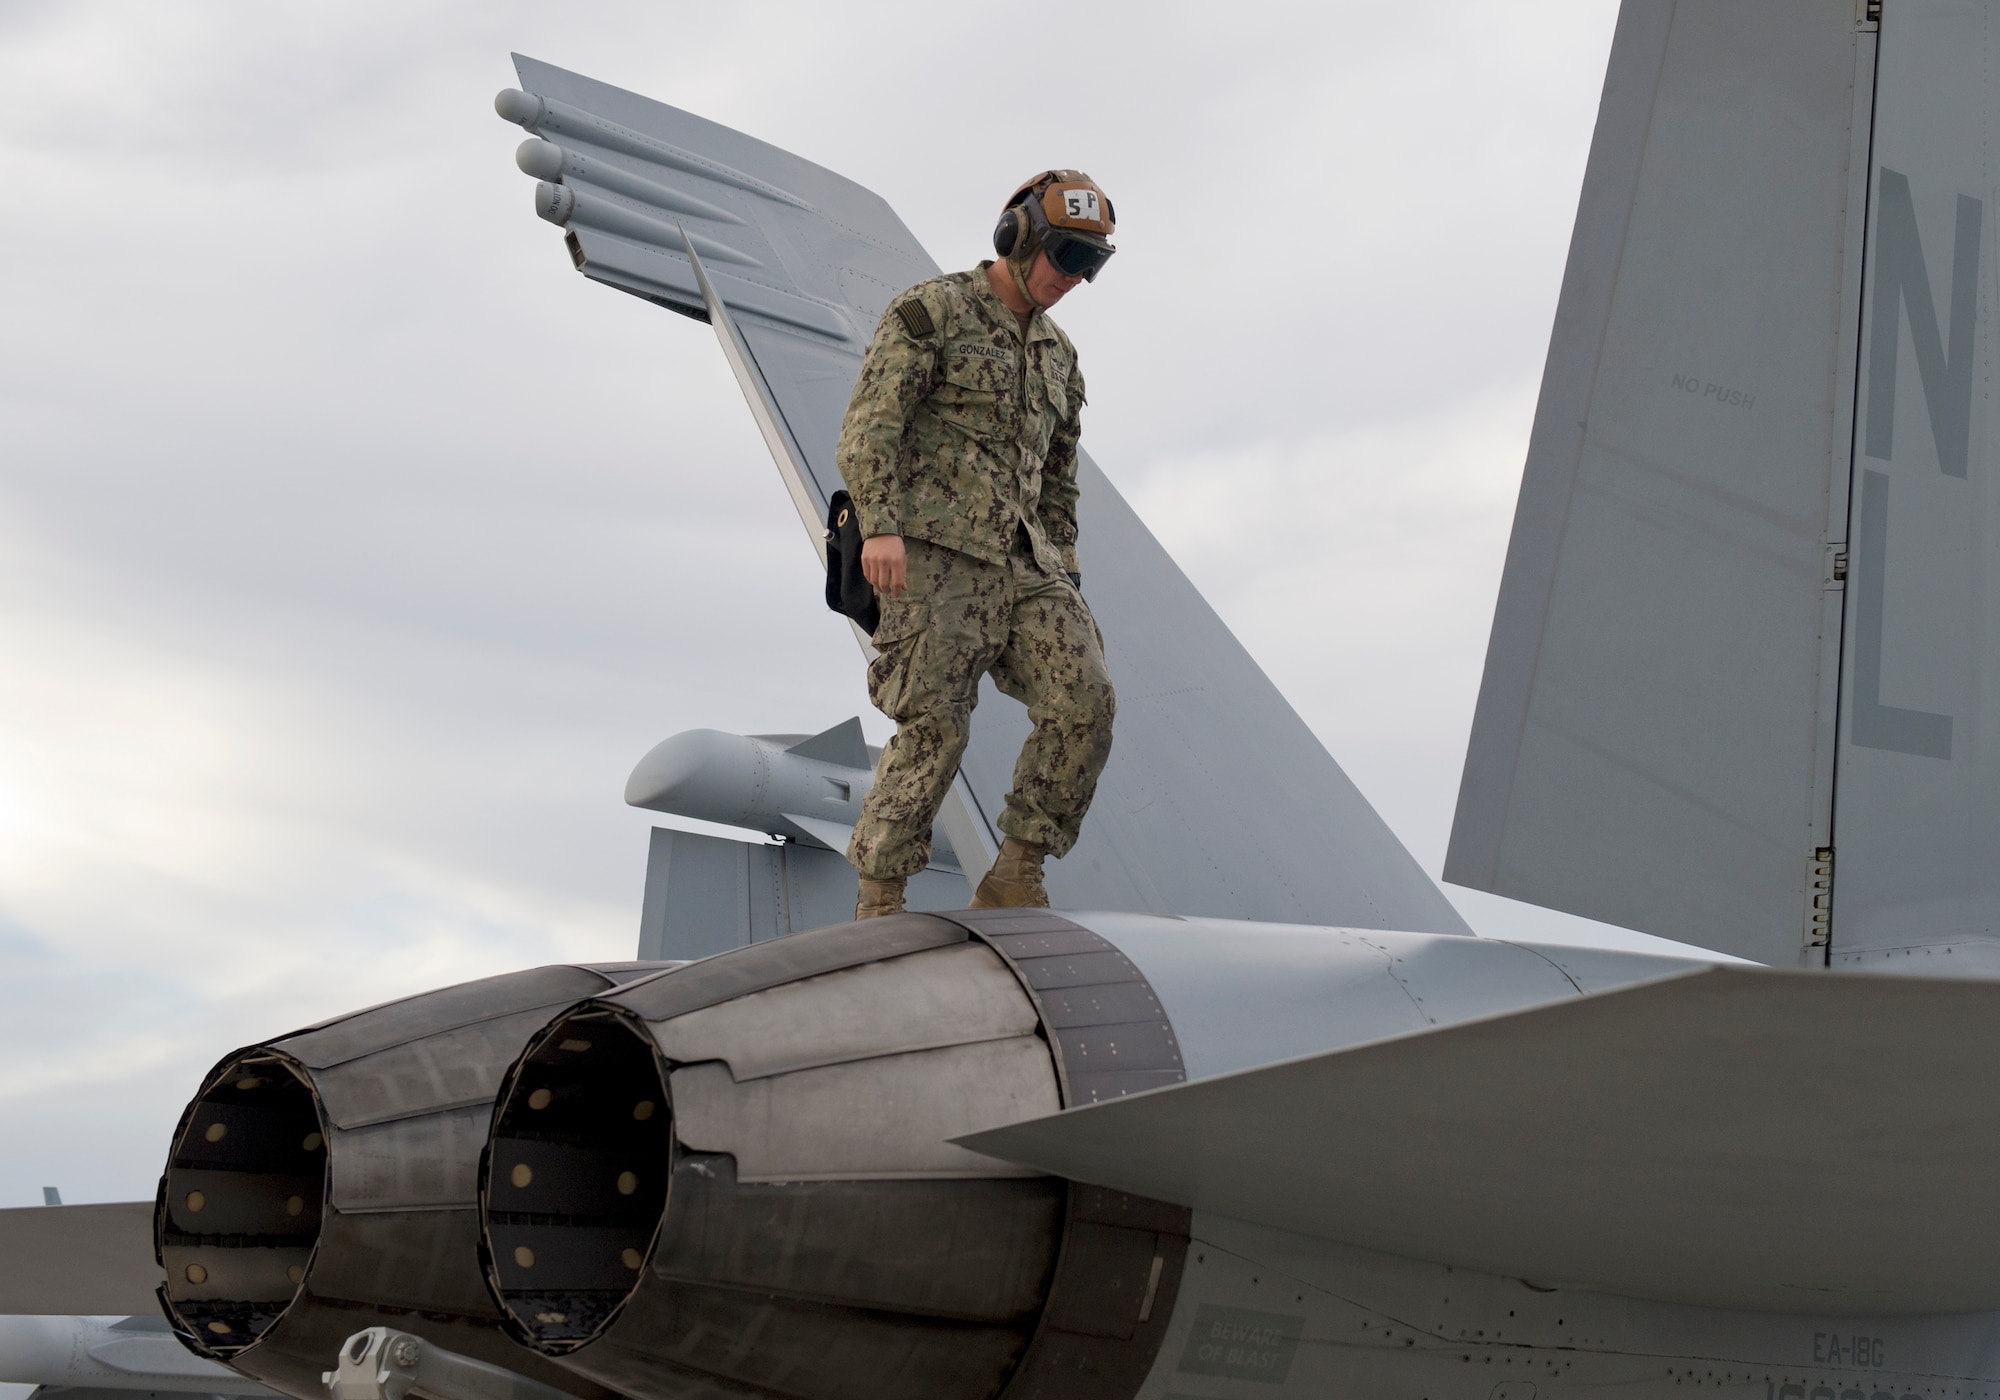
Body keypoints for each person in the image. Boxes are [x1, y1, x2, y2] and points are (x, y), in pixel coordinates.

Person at [835, 170, 1120, 918]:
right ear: (1016, 238)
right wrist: (882, 527)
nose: (1074, 278)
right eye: (1065, 256)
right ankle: (880, 898)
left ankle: (1017, 870)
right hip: (934, 554)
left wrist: (1067, 571)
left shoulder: (1060, 357)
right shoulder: (935, 314)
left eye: (1092, 265)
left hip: (1026, 564)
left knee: (1086, 700)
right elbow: (872, 425)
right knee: (936, 726)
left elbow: (1058, 480)